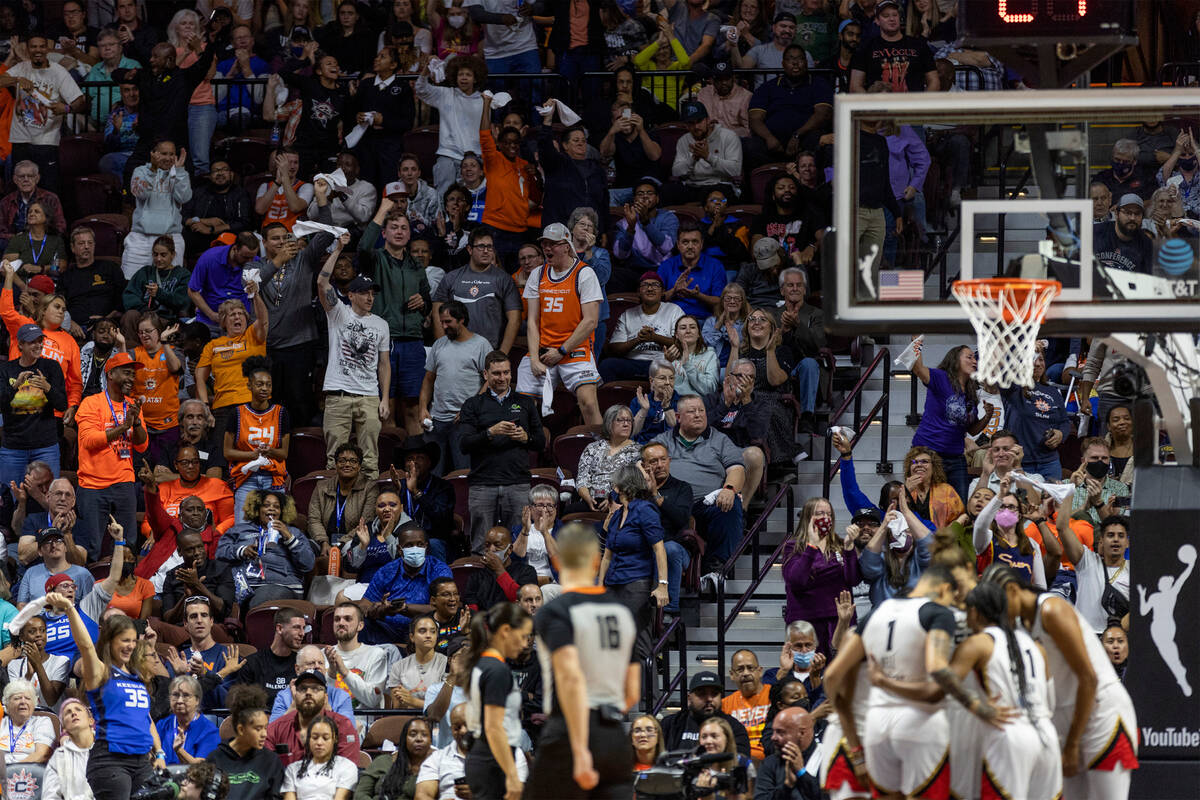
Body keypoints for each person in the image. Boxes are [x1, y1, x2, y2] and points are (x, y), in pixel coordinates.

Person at [984, 564, 1140, 797]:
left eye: (1000, 604)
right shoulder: (1019, 626)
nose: (1000, 613)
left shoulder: (1051, 610)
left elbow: (1088, 678)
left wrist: (1072, 744)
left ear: (1013, 590)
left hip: (1102, 714)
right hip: (1067, 719)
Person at [522, 522, 639, 798]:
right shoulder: (622, 611)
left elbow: (570, 678)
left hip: (569, 736)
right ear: (597, 560)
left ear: (558, 559)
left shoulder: (555, 611)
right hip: (612, 737)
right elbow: (632, 691)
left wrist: (580, 750)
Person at [47, 598, 167, 800]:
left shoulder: (137, 675)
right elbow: (85, 645)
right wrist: (69, 609)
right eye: (124, 640)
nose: (130, 646)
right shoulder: (101, 672)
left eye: (133, 640)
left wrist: (160, 752)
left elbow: (145, 718)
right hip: (110, 760)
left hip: (142, 761)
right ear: (110, 641)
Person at [317, 245, 393, 477]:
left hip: (369, 396)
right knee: (335, 460)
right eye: (364, 292)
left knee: (370, 460)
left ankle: (368, 508)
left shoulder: (381, 324)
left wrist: (385, 398)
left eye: (372, 293)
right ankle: (334, 510)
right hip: (338, 394)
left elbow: (384, 364)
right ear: (351, 295)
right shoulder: (338, 313)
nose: (370, 297)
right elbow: (322, 282)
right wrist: (338, 249)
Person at [358, 197, 431, 434]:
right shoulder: (375, 259)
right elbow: (363, 248)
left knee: (412, 409)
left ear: (410, 234)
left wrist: (423, 303)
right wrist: (382, 210)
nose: (399, 232)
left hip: (412, 339)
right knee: (384, 409)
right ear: (384, 233)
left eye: (404, 228)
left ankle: (413, 465)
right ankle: (387, 468)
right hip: (383, 342)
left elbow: (427, 300)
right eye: (394, 227)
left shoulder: (416, 266)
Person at [460, 351, 545, 554]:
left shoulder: (525, 403)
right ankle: (481, 584)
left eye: (506, 372)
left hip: (517, 483)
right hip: (482, 484)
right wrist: (490, 432)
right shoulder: (473, 404)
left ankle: (515, 586)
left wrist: (526, 438)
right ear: (486, 375)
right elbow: (463, 444)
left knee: (518, 544)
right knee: (481, 546)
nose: (502, 378)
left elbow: (541, 443)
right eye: (496, 373)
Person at [653, 395, 745, 573]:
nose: (698, 415)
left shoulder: (720, 440)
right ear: (678, 417)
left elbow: (737, 469)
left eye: (701, 410)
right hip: (669, 503)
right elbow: (642, 466)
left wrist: (730, 489)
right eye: (691, 411)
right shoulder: (662, 441)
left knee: (731, 504)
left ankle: (716, 567)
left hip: (706, 503)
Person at [73, 351, 146, 560]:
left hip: (124, 481)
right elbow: (89, 440)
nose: (131, 379)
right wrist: (123, 426)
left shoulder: (132, 406)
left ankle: (126, 586)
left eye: (133, 375)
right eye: (126, 373)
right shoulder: (91, 403)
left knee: (127, 544)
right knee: (93, 546)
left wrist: (137, 422)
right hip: (92, 484)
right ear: (111, 374)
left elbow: (141, 446)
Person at [461, 602, 533, 800]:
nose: (526, 643)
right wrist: (512, 774)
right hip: (492, 760)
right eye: (523, 636)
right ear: (506, 631)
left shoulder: (484, 663)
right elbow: (493, 727)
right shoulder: (497, 671)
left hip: (484, 757)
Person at [1, 32, 86, 191]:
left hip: (46, 142)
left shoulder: (58, 72)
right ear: (28, 49)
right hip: (21, 141)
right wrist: (17, 79)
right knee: (21, 190)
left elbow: (80, 101)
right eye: (34, 46)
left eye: (41, 46)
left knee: (48, 189)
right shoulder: (21, 68)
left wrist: (66, 108)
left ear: (47, 49)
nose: (38, 50)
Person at [419, 301, 493, 476]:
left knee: (463, 473)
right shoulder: (439, 344)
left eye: (448, 322)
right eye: (442, 322)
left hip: (464, 422)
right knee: (432, 474)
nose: (444, 326)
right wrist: (423, 408)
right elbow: (428, 379)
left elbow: (490, 380)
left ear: (462, 320)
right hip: (436, 420)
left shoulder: (481, 344)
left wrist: (470, 408)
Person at [193, 278, 270, 442]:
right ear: (223, 321)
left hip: (252, 403)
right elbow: (200, 377)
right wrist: (206, 406)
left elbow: (263, 320)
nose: (237, 317)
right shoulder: (213, 345)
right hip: (223, 407)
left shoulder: (252, 336)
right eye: (232, 314)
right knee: (220, 456)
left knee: (252, 453)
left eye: (241, 314)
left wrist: (255, 295)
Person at [911, 342, 989, 501]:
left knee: (959, 507)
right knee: (928, 506)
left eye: (975, 358)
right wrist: (916, 341)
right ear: (955, 360)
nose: (975, 361)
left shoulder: (971, 392)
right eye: (969, 357)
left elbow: (972, 430)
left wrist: (987, 416)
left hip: (955, 456)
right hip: (929, 453)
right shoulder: (941, 377)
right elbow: (918, 369)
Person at [781, 498, 859, 658]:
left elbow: (853, 580)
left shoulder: (839, 543)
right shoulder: (793, 547)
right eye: (820, 514)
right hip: (806, 621)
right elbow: (796, 581)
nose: (826, 518)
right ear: (808, 517)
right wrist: (811, 547)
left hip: (839, 619)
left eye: (829, 514)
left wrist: (850, 548)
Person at [219, 490, 316, 606]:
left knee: (261, 599)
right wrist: (242, 551)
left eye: (276, 507)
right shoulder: (240, 530)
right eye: (266, 505)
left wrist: (289, 537)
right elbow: (220, 552)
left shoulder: (293, 532)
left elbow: (308, 564)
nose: (272, 509)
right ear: (257, 509)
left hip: (281, 585)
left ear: (282, 511)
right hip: (244, 585)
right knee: (220, 594)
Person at [432, 229, 521, 353]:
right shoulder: (451, 278)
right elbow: (437, 313)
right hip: (455, 350)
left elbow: (515, 320)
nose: (486, 251)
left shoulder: (504, 279)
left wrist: (502, 354)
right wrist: (443, 350)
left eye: (489, 247)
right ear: (469, 249)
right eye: (480, 246)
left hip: (490, 351)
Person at [362, 524, 453, 643]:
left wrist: (403, 608)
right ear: (400, 550)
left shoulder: (439, 570)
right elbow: (364, 605)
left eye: (420, 545)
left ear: (426, 547)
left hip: (426, 630)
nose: (415, 549)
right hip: (389, 629)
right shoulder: (387, 571)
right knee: (361, 625)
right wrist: (378, 610)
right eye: (409, 545)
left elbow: (444, 609)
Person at [0, 323, 67, 485]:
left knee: (48, 498)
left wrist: (47, 388)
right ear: (20, 344)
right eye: (32, 342)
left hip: (45, 446)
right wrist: (15, 386)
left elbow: (62, 404)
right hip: (13, 447)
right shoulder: (5, 369)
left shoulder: (51, 367)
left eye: (40, 341)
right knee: (11, 498)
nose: (38, 345)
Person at [225, 356, 290, 520]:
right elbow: (227, 452)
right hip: (247, 478)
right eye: (259, 384)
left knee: (275, 531)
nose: (264, 388)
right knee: (243, 529)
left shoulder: (281, 413)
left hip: (273, 478)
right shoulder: (237, 413)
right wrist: (253, 455)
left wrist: (270, 451)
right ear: (249, 385)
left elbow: (284, 454)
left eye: (268, 384)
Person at [746, 47, 832, 168]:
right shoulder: (768, 87)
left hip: (805, 138)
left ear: (806, 63)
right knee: (751, 146)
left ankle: (817, 184)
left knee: (819, 141)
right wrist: (769, 138)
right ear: (783, 64)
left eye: (800, 59)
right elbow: (754, 118)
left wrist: (798, 135)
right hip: (773, 141)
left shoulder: (819, 84)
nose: (795, 63)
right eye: (790, 59)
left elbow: (822, 114)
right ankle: (763, 181)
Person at [122, 138, 191, 281]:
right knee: (130, 280)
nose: (168, 158)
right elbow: (139, 193)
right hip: (141, 237)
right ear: (153, 154)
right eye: (163, 153)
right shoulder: (140, 171)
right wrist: (152, 171)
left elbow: (184, 197)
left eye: (171, 154)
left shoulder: (179, 174)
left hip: (171, 237)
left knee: (170, 284)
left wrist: (179, 171)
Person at [601, 272, 684, 382]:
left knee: (680, 367)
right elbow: (614, 349)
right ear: (638, 292)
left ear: (663, 291)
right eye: (645, 285)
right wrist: (638, 340)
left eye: (655, 285)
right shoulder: (627, 315)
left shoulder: (674, 310)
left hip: (664, 361)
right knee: (607, 365)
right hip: (633, 362)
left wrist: (654, 338)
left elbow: (682, 344)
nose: (650, 289)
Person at [209, 684, 285, 800]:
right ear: (241, 729)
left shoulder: (271, 761)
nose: (264, 734)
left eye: (265, 728)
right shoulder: (215, 759)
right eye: (258, 729)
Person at [973, 477, 1047, 589]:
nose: (1006, 511)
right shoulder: (987, 538)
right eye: (1001, 507)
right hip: (992, 602)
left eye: (1012, 507)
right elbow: (979, 526)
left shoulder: (1031, 545)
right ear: (994, 512)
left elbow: (1040, 586)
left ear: (1019, 514)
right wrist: (1000, 495)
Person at [849, 0, 938, 94]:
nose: (892, 19)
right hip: (879, 106)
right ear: (877, 21)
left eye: (895, 15)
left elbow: (934, 81)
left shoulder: (918, 45)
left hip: (912, 105)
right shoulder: (866, 48)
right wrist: (872, 104)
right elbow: (855, 86)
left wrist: (921, 104)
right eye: (886, 16)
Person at [132, 312, 186, 463]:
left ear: (158, 330)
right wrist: (122, 345)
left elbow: (175, 367)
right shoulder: (134, 353)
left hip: (168, 425)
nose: (144, 335)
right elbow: (124, 375)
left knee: (165, 470)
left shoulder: (173, 351)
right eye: (141, 332)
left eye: (148, 331)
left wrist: (164, 342)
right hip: (141, 426)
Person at [308, 444, 379, 553]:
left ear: (359, 466)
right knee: (305, 547)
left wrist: (341, 544)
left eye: (353, 461)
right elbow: (314, 519)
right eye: (342, 461)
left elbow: (365, 523)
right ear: (336, 465)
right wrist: (324, 542)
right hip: (322, 542)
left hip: (352, 542)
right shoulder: (321, 487)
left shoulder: (369, 488)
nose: (347, 464)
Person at [660, 671, 752, 756]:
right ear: (689, 698)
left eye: (714, 693)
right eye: (702, 694)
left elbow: (740, 761)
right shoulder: (670, 724)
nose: (709, 699)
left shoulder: (734, 727)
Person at [187, 232, 259, 332]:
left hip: (241, 325)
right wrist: (211, 315)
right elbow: (192, 291)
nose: (250, 261)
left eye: (253, 257)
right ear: (235, 249)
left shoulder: (256, 263)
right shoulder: (209, 258)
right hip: (209, 322)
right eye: (246, 257)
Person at [575, 405, 642, 512]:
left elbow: (635, 483)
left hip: (620, 501)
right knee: (570, 512)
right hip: (590, 500)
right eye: (620, 420)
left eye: (629, 420)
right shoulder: (593, 448)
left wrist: (613, 499)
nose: (626, 424)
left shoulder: (638, 451)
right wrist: (587, 498)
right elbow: (582, 479)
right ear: (609, 423)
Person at [659, 223, 726, 321]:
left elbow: (720, 301)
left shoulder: (715, 266)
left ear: (701, 244)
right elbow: (655, 298)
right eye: (685, 242)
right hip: (671, 320)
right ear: (678, 244)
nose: (690, 246)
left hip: (703, 320)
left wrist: (698, 296)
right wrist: (674, 291)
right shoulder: (666, 266)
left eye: (695, 242)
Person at [182, 161, 251, 256]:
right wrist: (205, 221)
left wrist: (212, 229)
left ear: (231, 174)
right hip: (199, 234)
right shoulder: (199, 192)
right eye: (215, 171)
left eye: (224, 170)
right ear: (210, 176)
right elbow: (183, 217)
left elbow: (244, 222)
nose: (220, 173)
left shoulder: (240, 194)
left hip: (228, 235)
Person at [613, 179, 679, 278]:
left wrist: (646, 222)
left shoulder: (668, 218)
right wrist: (630, 228)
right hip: (635, 270)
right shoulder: (625, 221)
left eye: (649, 193)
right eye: (640, 194)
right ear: (634, 199)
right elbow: (620, 254)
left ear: (657, 199)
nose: (645, 196)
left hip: (662, 269)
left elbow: (666, 247)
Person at [357, 716, 433, 800]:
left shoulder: (433, 770)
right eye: (413, 734)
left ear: (430, 741)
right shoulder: (383, 762)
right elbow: (360, 794)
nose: (419, 739)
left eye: (424, 735)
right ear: (404, 739)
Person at [754, 706, 819, 800]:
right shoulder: (770, 763)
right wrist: (787, 787)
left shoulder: (825, 758)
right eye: (773, 732)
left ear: (801, 733)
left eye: (781, 732)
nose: (773, 738)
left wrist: (802, 774)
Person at [5, 614, 68, 707]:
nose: (39, 634)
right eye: (32, 631)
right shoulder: (14, 665)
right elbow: (16, 699)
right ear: (22, 637)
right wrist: (29, 675)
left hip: (53, 719)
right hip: (27, 719)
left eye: (42, 630)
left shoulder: (61, 661)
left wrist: (38, 665)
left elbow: (51, 700)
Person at [156, 674, 221, 765]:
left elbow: (201, 768)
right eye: (175, 695)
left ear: (197, 700)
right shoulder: (162, 725)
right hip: (163, 777)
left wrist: (179, 750)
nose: (179, 701)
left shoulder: (209, 730)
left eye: (186, 695)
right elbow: (151, 754)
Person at [388, 614, 448, 710]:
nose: (428, 635)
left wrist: (413, 702)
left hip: (437, 721)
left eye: (433, 632)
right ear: (412, 637)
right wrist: (402, 699)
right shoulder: (398, 667)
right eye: (422, 631)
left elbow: (445, 706)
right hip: (408, 721)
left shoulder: (446, 664)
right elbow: (397, 708)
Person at [42, 697, 95, 800]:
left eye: (78, 710)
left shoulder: (108, 748)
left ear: (91, 720)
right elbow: (50, 796)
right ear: (64, 728)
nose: (73, 713)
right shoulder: (59, 757)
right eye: (68, 712)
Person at [722, 650, 771, 762]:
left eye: (750, 668)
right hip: (737, 762)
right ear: (732, 675)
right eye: (740, 669)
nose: (745, 673)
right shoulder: (725, 704)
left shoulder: (774, 695)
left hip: (769, 760)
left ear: (760, 671)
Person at [1093, 193, 1153, 276]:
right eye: (1128, 213)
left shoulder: (1147, 244)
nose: (1132, 218)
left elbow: (1147, 280)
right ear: (1117, 214)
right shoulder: (1094, 232)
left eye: (1137, 214)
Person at [0, 678, 54, 763]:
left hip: (30, 772)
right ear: (7, 705)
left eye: (28, 698)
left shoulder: (42, 722)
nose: (23, 701)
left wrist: (12, 770)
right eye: (17, 698)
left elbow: (42, 754)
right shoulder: (1, 723)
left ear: (34, 704)